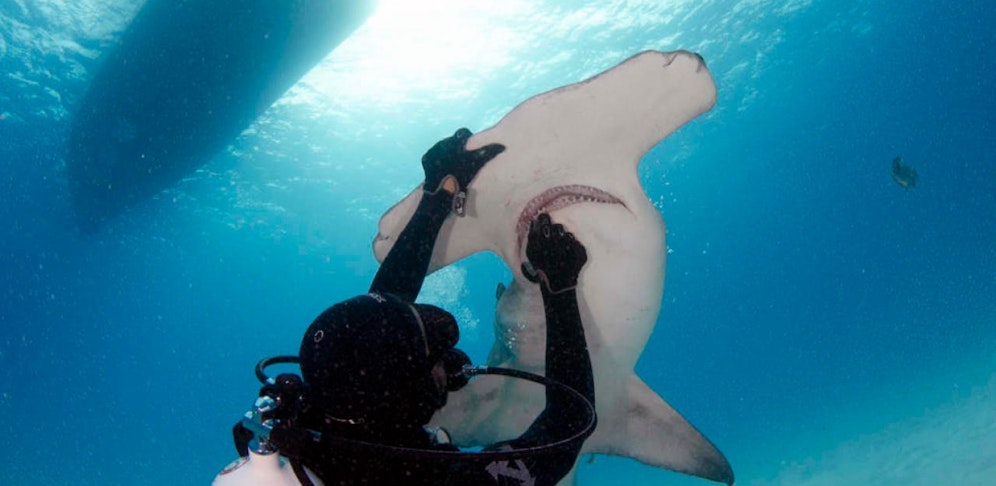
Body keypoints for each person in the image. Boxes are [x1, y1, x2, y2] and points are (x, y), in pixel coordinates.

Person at [232, 129, 595, 485]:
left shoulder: (314, 419)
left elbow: (380, 327)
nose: (447, 362)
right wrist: (560, 288)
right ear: (407, 398)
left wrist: (437, 196)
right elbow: (568, 426)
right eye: (431, 359)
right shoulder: (440, 480)